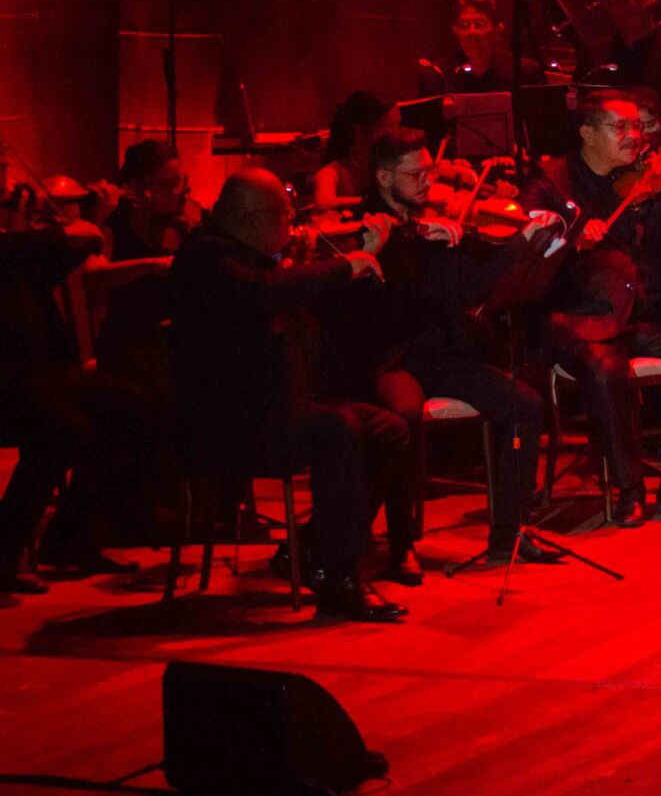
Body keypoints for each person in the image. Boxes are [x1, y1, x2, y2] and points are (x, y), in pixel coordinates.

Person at [168, 170, 413, 622]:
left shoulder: (252, 256)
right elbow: (259, 294)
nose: (293, 226)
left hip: (276, 408)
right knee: (337, 429)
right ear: (254, 216)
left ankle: (308, 548)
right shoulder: (206, 259)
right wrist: (340, 266)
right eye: (285, 216)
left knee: (388, 430)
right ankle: (340, 581)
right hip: (229, 423)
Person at [521, 91, 661, 526]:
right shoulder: (553, 181)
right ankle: (629, 488)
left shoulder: (651, 179)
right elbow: (527, 241)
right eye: (621, 127)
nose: (635, 136)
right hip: (585, 318)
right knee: (606, 370)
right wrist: (568, 235)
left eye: (637, 127)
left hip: (646, 315)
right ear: (588, 133)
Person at [348, 128, 567, 569]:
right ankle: (399, 545)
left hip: (438, 356)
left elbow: (468, 290)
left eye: (429, 171)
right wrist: (412, 245)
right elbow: (388, 301)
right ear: (384, 177)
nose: (428, 182)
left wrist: (520, 247)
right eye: (416, 174)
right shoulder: (363, 226)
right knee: (404, 416)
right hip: (387, 356)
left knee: (525, 404)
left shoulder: (429, 224)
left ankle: (509, 535)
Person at [0, 214, 152, 592]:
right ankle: (8, 551)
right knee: (61, 429)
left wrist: (83, 232)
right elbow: (49, 242)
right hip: (12, 381)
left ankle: (75, 534)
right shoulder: (14, 248)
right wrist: (65, 232)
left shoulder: (17, 253)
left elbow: (67, 252)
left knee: (129, 403)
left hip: (40, 373)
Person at [429, 0, 547, 95]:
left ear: (497, 30)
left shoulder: (525, 73)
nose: (472, 32)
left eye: (479, 25)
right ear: (456, 31)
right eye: (465, 25)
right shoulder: (441, 76)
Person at [103, 140, 199, 259]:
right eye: (164, 184)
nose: (175, 192)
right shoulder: (114, 225)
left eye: (177, 182)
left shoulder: (172, 221)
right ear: (138, 185)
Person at [312, 91, 401, 212]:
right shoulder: (332, 173)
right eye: (387, 126)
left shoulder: (390, 165)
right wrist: (369, 202)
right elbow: (324, 202)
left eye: (397, 125)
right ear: (359, 130)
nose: (396, 133)